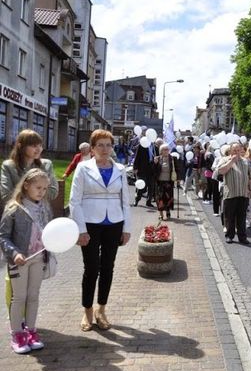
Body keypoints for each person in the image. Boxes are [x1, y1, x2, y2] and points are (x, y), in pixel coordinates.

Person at [69, 129, 132, 332]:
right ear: (93, 148)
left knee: (108, 267)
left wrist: (126, 228)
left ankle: (101, 309)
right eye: (100, 145)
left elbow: (125, 201)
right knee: (91, 268)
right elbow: (74, 201)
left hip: (114, 223)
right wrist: (80, 229)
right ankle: (87, 311)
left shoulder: (120, 169)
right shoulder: (83, 168)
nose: (104, 149)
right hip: (90, 223)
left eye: (108, 145)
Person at [0, 169, 52, 353]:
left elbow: (50, 231)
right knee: (19, 297)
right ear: (26, 185)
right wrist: (14, 253)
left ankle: (31, 331)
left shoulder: (44, 208)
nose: (42, 192)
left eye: (45, 188)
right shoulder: (14, 208)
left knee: (33, 296)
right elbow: (3, 236)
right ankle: (17, 334)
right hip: (20, 260)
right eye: (38, 187)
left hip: (38, 258)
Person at [1, 130, 58, 209]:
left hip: (40, 213)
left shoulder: (46, 165)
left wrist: (26, 193)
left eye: (40, 145)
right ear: (20, 146)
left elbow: (53, 191)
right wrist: (37, 194)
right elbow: (6, 195)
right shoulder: (9, 166)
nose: (39, 149)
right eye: (34, 146)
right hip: (17, 212)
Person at [216, 142, 251, 244]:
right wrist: (231, 161)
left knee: (242, 216)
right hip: (230, 193)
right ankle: (229, 236)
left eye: (238, 150)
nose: (237, 152)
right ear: (230, 151)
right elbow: (220, 171)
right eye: (234, 150)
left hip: (243, 193)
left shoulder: (245, 161)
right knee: (229, 216)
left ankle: (242, 237)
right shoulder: (225, 160)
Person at [152, 144, 177, 220]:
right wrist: (155, 163)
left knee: (168, 198)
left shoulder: (172, 158)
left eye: (167, 149)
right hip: (160, 182)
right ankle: (161, 214)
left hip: (169, 182)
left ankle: (168, 211)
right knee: (160, 198)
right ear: (161, 151)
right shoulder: (158, 159)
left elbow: (177, 169)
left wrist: (178, 179)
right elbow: (153, 171)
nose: (167, 151)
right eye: (165, 149)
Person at [132, 138, 157, 207]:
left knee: (151, 187)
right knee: (141, 186)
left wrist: (156, 161)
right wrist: (135, 167)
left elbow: (157, 157)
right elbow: (137, 157)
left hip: (152, 170)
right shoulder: (142, 146)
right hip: (142, 169)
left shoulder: (155, 147)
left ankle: (148, 202)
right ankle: (137, 200)